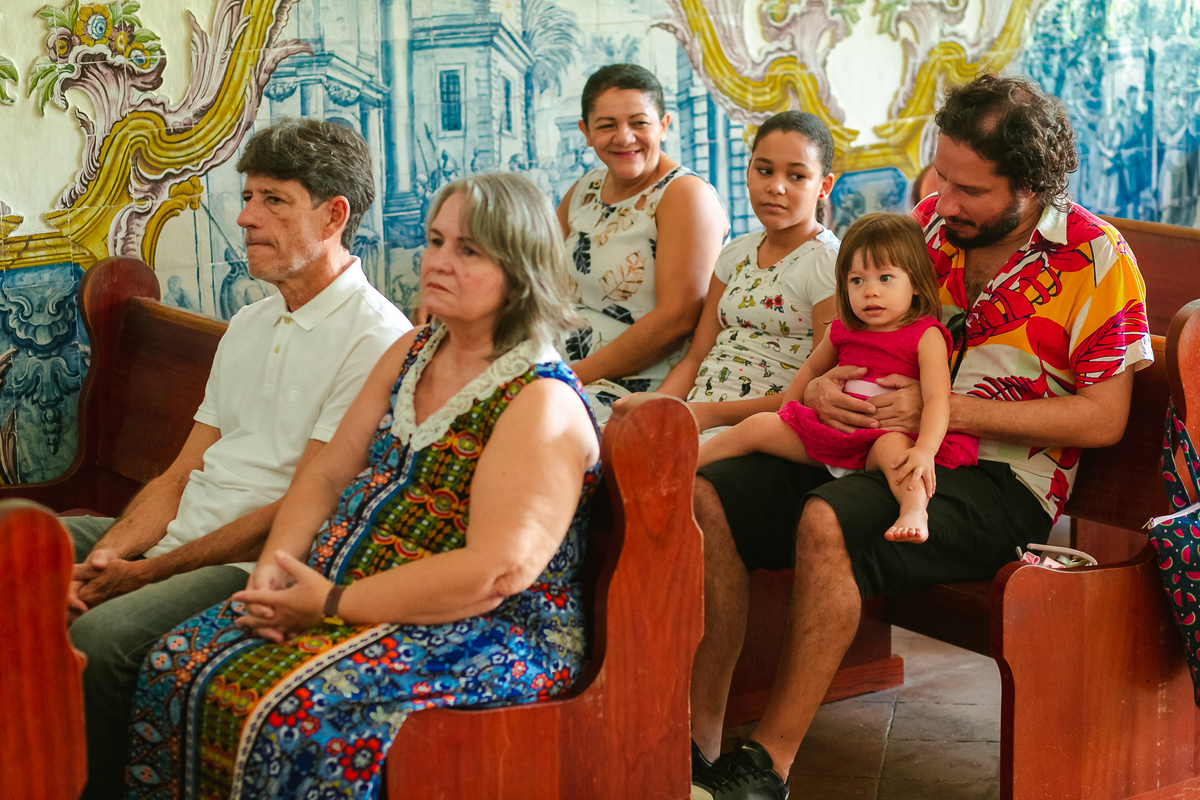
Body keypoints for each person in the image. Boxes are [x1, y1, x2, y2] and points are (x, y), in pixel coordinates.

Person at [689, 74, 1153, 800]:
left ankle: (766, 766)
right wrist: (817, 389)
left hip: (1005, 481)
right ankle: (700, 738)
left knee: (827, 519)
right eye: (944, 175)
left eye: (971, 190)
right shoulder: (934, 225)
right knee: (711, 490)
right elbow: (858, 330)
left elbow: (1104, 418)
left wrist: (949, 413)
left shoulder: (1099, 262)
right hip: (878, 442)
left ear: (1030, 187)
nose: (947, 201)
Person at [123, 173, 601, 800]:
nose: (438, 261)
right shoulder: (414, 348)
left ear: (522, 270)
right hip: (345, 584)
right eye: (435, 241)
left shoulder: (539, 400)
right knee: (175, 663)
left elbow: (493, 573)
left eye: (469, 250)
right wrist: (275, 568)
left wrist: (329, 604)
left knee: (288, 715)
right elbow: (325, 472)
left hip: (486, 628)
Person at [65, 117, 412, 800]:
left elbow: (300, 506)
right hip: (177, 534)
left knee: (102, 642)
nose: (245, 216)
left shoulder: (377, 339)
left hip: (249, 560)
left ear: (334, 214)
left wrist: (147, 573)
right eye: (247, 196)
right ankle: (27, 765)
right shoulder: (254, 320)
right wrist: (112, 553)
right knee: (17, 552)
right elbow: (184, 471)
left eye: (273, 200)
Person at [697, 213, 978, 542]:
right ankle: (689, 464)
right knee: (759, 425)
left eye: (885, 278)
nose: (870, 291)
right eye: (857, 280)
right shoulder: (844, 328)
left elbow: (935, 398)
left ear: (915, 282)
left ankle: (914, 510)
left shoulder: (925, 335)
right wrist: (789, 412)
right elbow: (812, 370)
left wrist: (926, 450)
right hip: (830, 436)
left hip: (880, 439)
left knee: (898, 454)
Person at [650, 111, 839, 434]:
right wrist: (655, 409)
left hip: (762, 431)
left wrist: (709, 415)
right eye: (764, 170)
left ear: (823, 186)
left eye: (796, 176)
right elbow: (696, 357)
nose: (776, 187)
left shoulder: (829, 264)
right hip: (697, 415)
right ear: (748, 172)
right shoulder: (735, 252)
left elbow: (817, 391)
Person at [558, 63, 728, 422]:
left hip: (632, 386)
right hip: (560, 365)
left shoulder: (684, 195)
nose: (624, 137)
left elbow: (676, 320)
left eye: (639, 122)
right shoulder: (585, 189)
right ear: (585, 132)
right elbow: (534, 274)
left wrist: (567, 378)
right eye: (606, 125)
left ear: (663, 126)